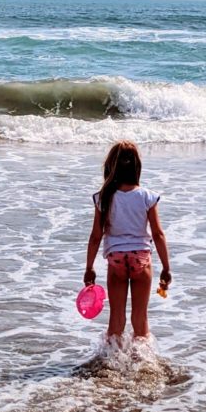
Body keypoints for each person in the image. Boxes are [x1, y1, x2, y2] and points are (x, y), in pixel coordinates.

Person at [83, 141, 172, 342]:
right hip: (141, 258)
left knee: (116, 319)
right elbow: (158, 234)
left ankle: (111, 360)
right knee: (140, 318)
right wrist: (166, 267)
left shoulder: (103, 197)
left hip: (116, 259)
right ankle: (142, 363)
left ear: (110, 166)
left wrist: (89, 267)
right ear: (136, 167)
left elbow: (96, 236)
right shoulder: (146, 196)